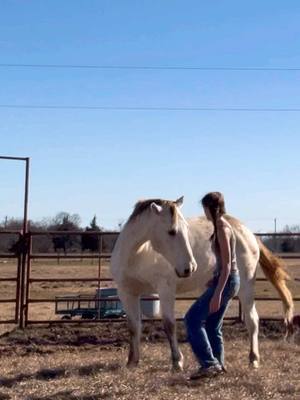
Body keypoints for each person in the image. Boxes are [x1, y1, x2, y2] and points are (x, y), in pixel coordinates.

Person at [184, 192, 240, 379]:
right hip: (226, 280)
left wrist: (218, 293)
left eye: (204, 208)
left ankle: (209, 364)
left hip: (227, 280)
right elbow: (223, 264)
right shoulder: (221, 226)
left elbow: (227, 265)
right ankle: (219, 366)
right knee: (213, 326)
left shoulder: (223, 229)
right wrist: (214, 279)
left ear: (210, 208)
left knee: (192, 319)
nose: (204, 212)